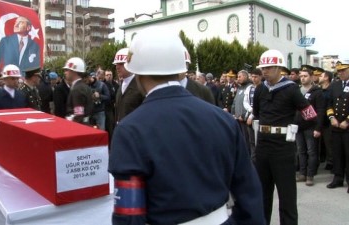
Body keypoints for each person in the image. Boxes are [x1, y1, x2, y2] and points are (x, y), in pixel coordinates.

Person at [108, 29, 265, 225]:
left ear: (138, 74)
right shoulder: (223, 120)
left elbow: (129, 215)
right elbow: (249, 193)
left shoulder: (130, 130)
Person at [253, 49, 317, 225]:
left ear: (279, 68)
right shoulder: (260, 89)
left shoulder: (291, 89)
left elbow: (311, 115)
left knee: (287, 196)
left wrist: (295, 127)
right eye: (263, 68)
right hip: (263, 146)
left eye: (269, 67)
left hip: (283, 148)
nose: (264, 71)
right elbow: (258, 113)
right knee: (262, 195)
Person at [294, 65, 325, 186]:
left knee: (311, 151)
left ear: (312, 77)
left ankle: (310, 175)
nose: (302, 78)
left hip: (311, 126)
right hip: (298, 126)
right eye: (301, 76)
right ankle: (302, 173)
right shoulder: (297, 90)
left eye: (305, 76)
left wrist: (318, 128)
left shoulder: (317, 92)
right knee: (300, 151)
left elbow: (321, 111)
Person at [325, 61, 349, 193]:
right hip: (336, 125)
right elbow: (329, 103)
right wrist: (331, 117)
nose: (340, 73)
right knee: (337, 153)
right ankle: (338, 178)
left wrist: (347, 121)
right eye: (339, 71)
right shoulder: (335, 85)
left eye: (343, 70)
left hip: (347, 126)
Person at [113, 48, 145, 123]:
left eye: (121, 64)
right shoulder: (121, 86)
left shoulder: (140, 86)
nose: (117, 67)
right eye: (116, 64)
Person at [64, 57, 94, 125]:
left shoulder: (77, 89)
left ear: (73, 71)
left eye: (67, 70)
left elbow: (79, 115)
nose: (65, 72)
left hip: (79, 127)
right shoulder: (84, 86)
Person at [244, 68, 263, 160]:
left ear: (260, 77)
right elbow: (245, 101)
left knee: (258, 140)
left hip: (258, 117)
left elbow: (260, 104)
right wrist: (251, 110)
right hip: (250, 115)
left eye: (256, 77)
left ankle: (259, 160)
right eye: (252, 77)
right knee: (251, 140)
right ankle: (253, 160)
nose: (254, 79)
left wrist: (252, 114)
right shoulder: (249, 88)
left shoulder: (263, 88)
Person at [231, 69, 251, 151]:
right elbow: (235, 102)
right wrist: (233, 113)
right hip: (237, 118)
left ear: (245, 76)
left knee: (247, 141)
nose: (238, 78)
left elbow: (250, 104)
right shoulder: (239, 88)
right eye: (237, 77)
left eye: (240, 77)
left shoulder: (250, 87)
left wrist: (243, 115)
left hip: (245, 119)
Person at [319, 70, 334, 170]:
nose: (319, 77)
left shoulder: (331, 90)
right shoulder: (319, 90)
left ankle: (331, 162)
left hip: (328, 121)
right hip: (320, 121)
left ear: (326, 78)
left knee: (329, 144)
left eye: (321, 75)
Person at [104, 69, 119, 141]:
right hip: (107, 108)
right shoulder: (103, 85)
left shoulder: (116, 85)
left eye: (110, 75)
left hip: (116, 108)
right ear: (105, 76)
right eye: (107, 75)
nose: (109, 76)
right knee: (110, 125)